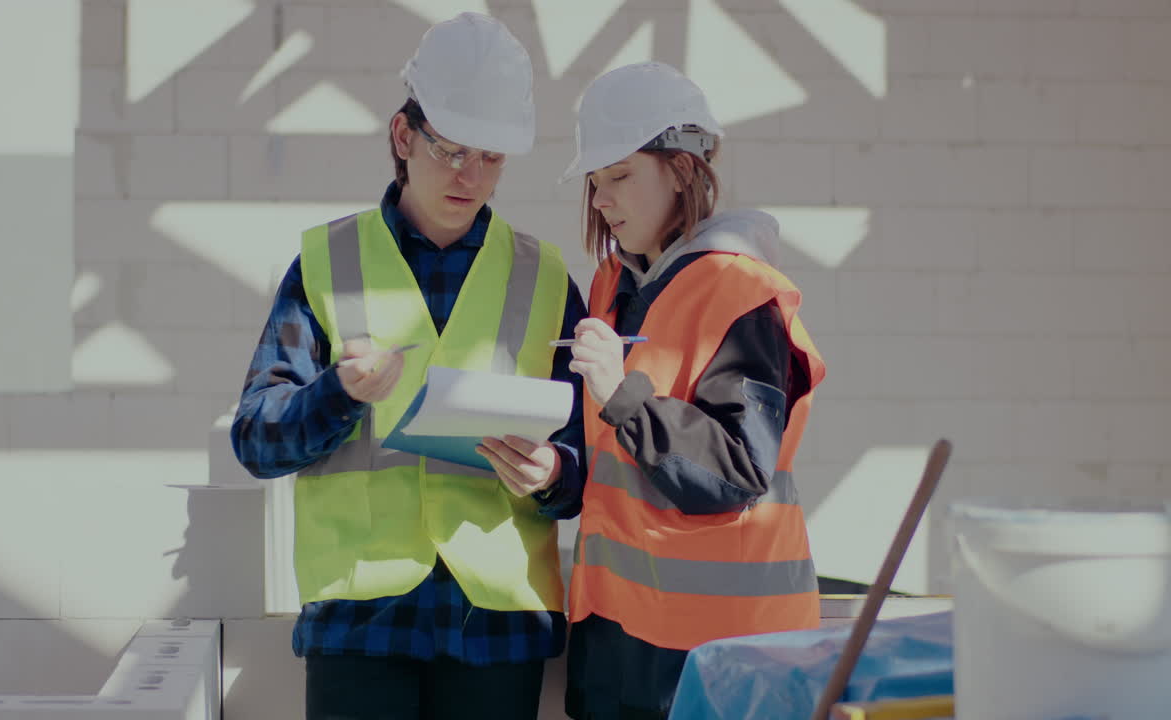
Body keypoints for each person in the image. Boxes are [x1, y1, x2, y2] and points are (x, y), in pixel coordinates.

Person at [229, 13, 587, 720]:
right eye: (453, 150)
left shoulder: (546, 279)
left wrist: (555, 476)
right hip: (362, 621)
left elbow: (587, 463)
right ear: (403, 136)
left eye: (491, 157)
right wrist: (335, 394)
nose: (472, 176)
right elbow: (256, 440)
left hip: (496, 626)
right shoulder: (327, 265)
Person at [554, 61, 828, 719]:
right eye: (595, 184)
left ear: (683, 170)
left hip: (721, 662)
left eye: (619, 176)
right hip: (617, 643)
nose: (602, 201)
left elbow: (737, 466)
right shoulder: (612, 289)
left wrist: (625, 396)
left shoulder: (739, 293)